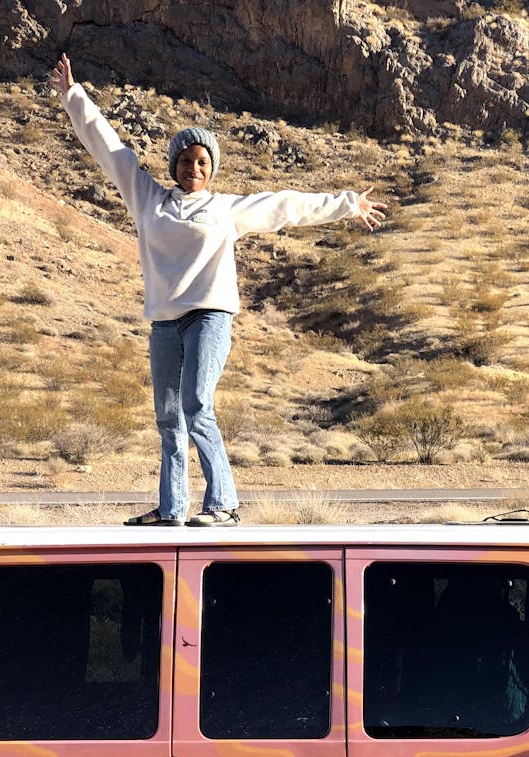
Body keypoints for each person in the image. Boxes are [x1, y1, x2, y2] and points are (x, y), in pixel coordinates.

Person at [50, 53, 387, 527]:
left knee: (196, 404)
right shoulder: (146, 198)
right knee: (169, 416)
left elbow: (285, 206)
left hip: (209, 316)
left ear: (212, 169)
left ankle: (223, 503)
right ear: (174, 165)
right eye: (186, 160)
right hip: (165, 322)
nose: (194, 167)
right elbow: (108, 147)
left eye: (202, 162)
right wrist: (73, 95)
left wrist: (347, 204)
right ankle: (172, 509)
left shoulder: (226, 209)